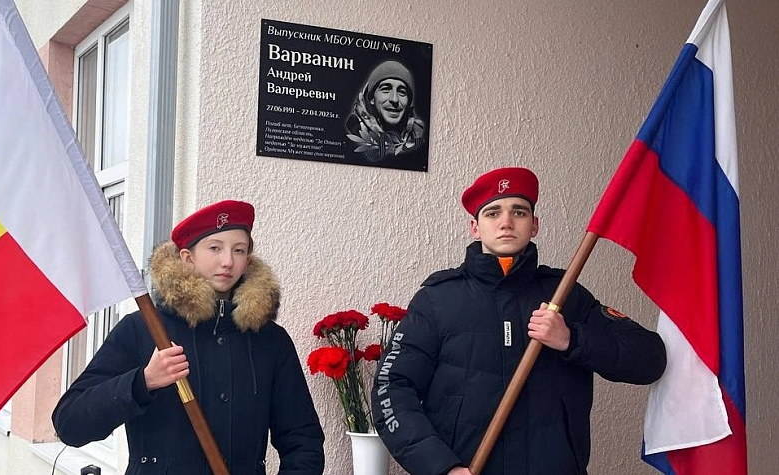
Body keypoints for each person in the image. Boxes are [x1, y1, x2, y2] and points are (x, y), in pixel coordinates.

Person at [372, 168, 667, 475]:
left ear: (534, 225)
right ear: (475, 228)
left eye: (519, 212)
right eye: (492, 213)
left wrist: (572, 340)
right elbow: (391, 388)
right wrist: (440, 467)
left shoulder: (566, 295)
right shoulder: (437, 300)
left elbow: (651, 359)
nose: (506, 222)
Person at [52, 200, 325, 474]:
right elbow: (70, 424)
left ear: (248, 260)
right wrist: (143, 382)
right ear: (187, 257)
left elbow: (303, 440)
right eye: (215, 248)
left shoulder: (270, 341)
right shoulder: (142, 330)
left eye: (239, 250)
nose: (228, 261)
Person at [345, 60, 426, 162]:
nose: (394, 99)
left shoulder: (419, 134)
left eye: (402, 92)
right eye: (386, 89)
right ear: (372, 99)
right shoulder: (353, 134)